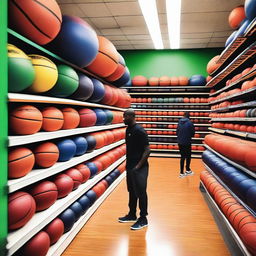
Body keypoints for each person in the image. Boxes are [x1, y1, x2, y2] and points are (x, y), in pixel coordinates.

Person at [118, 109, 150, 230]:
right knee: (132, 191)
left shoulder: (139, 131)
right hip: (130, 166)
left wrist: (138, 167)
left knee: (141, 192)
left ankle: (143, 219)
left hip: (140, 168)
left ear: (131, 116)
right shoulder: (128, 129)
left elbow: (147, 150)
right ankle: (132, 214)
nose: (123, 119)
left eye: (125, 116)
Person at [176, 112, 195, 178]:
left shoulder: (179, 122)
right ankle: (187, 169)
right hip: (187, 142)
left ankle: (181, 173)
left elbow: (177, 132)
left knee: (182, 157)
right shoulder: (190, 123)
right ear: (189, 117)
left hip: (180, 142)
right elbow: (193, 134)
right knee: (188, 156)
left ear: (183, 116)